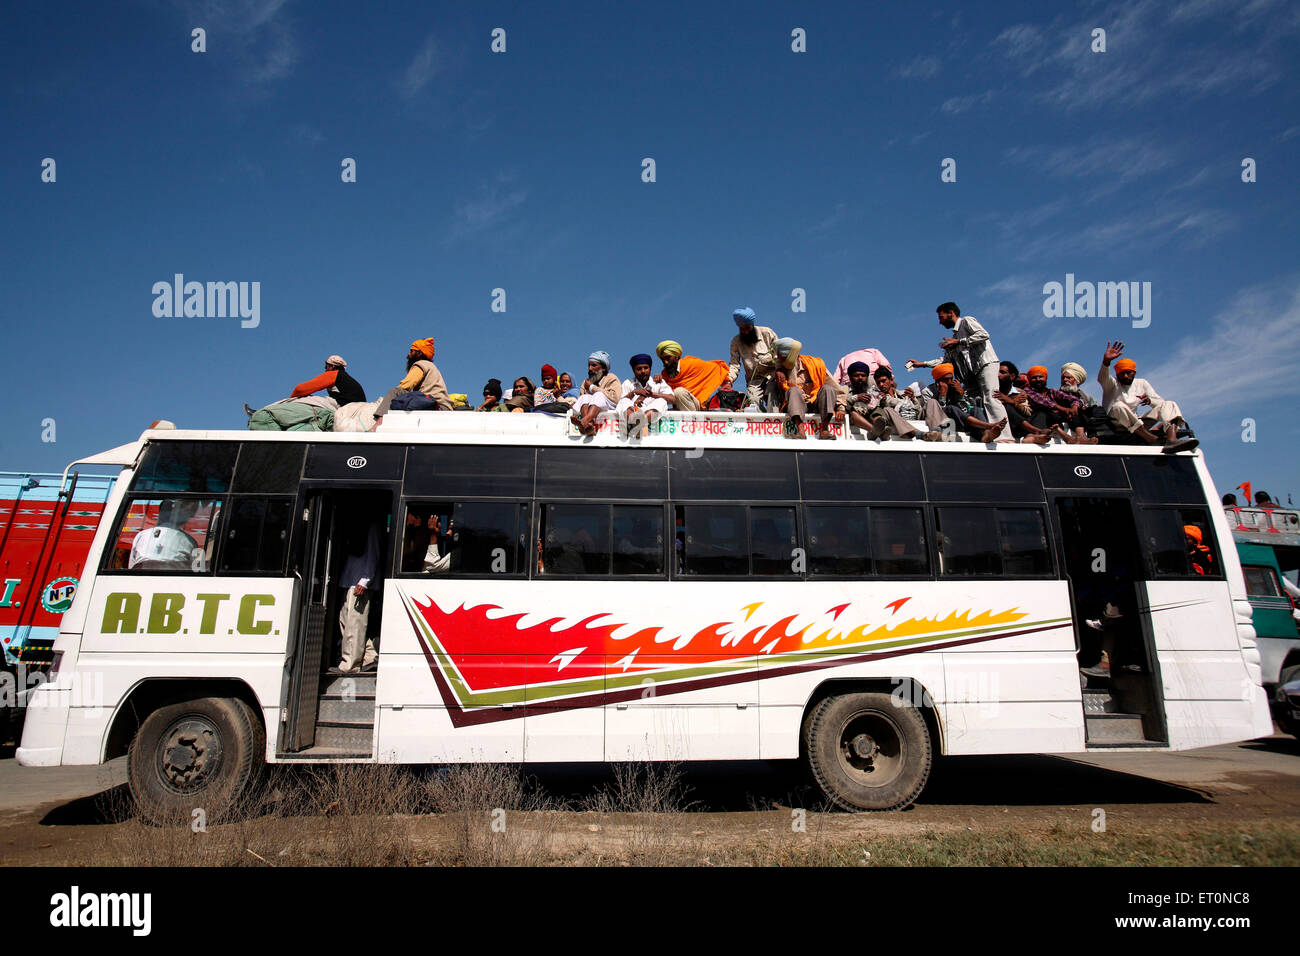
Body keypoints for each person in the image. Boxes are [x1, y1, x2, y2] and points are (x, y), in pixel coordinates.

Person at [908, 302, 1008, 439]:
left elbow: (983, 334)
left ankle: (1004, 437)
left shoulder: (966, 321)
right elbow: (944, 361)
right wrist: (922, 364)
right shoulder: (954, 340)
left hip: (985, 364)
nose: (940, 322)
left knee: (991, 398)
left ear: (951, 313)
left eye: (941, 317)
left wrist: (959, 342)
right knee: (974, 405)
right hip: (972, 374)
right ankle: (986, 433)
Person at [1098, 341, 1195, 450]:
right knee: (1118, 406)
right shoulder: (1111, 384)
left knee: (1169, 404)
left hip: (1137, 424)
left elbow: (1160, 405)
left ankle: (1171, 440)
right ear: (1117, 375)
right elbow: (1102, 378)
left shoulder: (1142, 383)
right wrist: (1106, 361)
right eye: (1122, 373)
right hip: (1117, 423)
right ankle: (1150, 439)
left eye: (1128, 372)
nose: (1125, 376)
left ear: (1134, 372)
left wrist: (1149, 401)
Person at [770, 338, 847, 440]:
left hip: (816, 404)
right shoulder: (781, 370)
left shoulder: (815, 365)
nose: (781, 361)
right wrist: (778, 370)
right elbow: (777, 365)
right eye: (780, 359)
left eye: (784, 358)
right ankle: (801, 432)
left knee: (828, 388)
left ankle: (824, 430)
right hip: (796, 407)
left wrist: (841, 408)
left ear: (792, 355)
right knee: (793, 390)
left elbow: (837, 389)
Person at [331, 518, 380, 675]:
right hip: (349, 581)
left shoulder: (371, 527)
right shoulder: (355, 529)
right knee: (346, 623)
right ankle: (370, 656)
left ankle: (350, 665)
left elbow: (374, 554)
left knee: (355, 627)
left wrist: (365, 581)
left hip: (359, 584)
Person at [920, 364, 1007, 443]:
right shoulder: (927, 392)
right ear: (938, 381)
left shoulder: (954, 387)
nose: (950, 382)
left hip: (959, 420)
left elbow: (965, 409)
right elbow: (933, 412)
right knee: (950, 408)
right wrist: (942, 396)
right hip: (943, 422)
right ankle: (988, 426)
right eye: (946, 379)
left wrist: (961, 395)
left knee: (975, 409)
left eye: (951, 378)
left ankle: (986, 434)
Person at [375, 338, 452, 417]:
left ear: (419, 353)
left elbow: (405, 385)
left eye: (412, 351)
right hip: (442, 407)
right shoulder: (431, 366)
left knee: (395, 392)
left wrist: (387, 401)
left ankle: (378, 423)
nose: (408, 354)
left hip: (435, 406)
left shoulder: (421, 364)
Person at [1022, 365, 1096, 444]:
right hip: (1040, 419)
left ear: (1045, 378)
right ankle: (1068, 439)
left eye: (1040, 377)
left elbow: (1072, 399)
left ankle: (1081, 437)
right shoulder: (1027, 391)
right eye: (1034, 378)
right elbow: (1044, 402)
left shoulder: (1052, 391)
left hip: (1057, 418)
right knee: (1044, 410)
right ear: (1030, 380)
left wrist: (1074, 408)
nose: (1038, 379)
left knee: (1077, 411)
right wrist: (1064, 409)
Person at [861, 364, 937, 440]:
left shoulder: (903, 393)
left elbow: (918, 410)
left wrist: (913, 399)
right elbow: (888, 404)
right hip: (899, 421)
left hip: (913, 417)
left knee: (932, 402)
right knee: (887, 409)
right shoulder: (878, 397)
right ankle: (918, 434)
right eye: (878, 383)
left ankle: (936, 431)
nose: (881, 385)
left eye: (883, 381)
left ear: (891, 380)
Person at [726, 308, 779, 408]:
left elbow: (778, 357)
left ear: (752, 325)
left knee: (772, 398)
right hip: (754, 381)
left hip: (772, 377)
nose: (745, 332)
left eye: (748, 328)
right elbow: (734, 365)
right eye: (742, 329)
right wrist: (728, 381)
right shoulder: (736, 342)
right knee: (752, 401)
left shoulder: (767, 333)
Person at [656, 341, 731, 411]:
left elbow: (717, 367)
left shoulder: (691, 364)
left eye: (668, 358)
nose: (665, 362)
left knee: (679, 392)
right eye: (662, 359)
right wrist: (656, 382)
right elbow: (666, 396)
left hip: (698, 405)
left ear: (677, 357)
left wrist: (727, 383)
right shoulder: (664, 375)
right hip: (679, 407)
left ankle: (692, 421)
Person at [129, 498, 201, 570]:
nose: (191, 516)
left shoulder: (141, 535)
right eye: (190, 512)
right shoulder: (189, 541)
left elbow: (131, 567)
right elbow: (194, 571)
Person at [617, 353, 673, 435]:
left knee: (661, 401)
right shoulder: (628, 383)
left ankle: (638, 424)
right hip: (633, 413)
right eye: (639, 369)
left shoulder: (658, 382)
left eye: (646, 368)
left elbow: (672, 399)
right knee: (624, 400)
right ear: (633, 370)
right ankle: (635, 422)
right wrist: (634, 392)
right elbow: (620, 403)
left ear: (650, 368)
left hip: (649, 415)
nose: (643, 371)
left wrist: (653, 394)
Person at [571, 350, 623, 435]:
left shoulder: (611, 378)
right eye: (589, 365)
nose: (590, 369)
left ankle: (584, 422)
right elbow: (581, 400)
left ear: (603, 368)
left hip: (610, 406)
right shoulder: (586, 382)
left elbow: (615, 398)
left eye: (593, 365)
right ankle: (588, 426)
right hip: (593, 413)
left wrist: (592, 388)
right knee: (585, 397)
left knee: (598, 395)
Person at [288, 355, 366, 405]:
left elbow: (300, 389)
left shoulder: (334, 374)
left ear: (332, 366)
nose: (325, 370)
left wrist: (289, 402)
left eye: (326, 367)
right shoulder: (345, 378)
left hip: (346, 408)